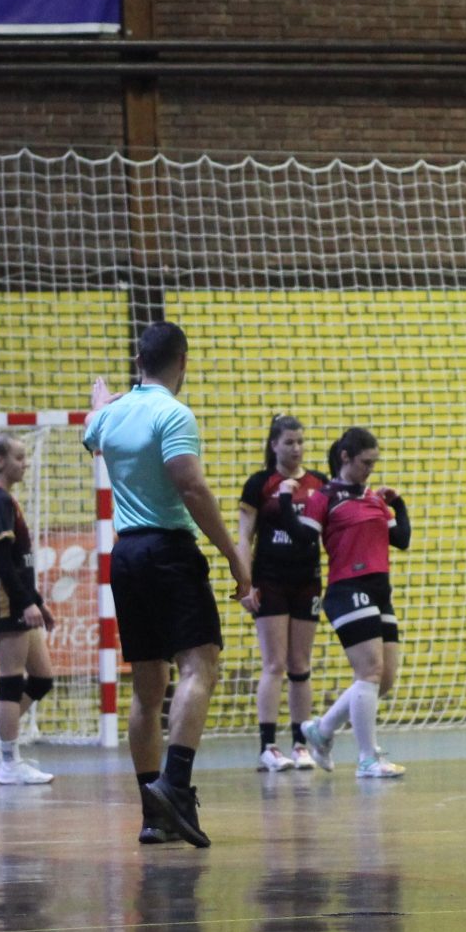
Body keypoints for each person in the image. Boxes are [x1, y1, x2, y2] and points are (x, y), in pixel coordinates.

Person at [83, 322, 255, 847]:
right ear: (183, 363)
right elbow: (191, 485)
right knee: (199, 664)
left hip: (126, 556)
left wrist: (98, 404)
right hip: (168, 551)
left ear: (138, 361)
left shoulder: (108, 417)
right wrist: (234, 555)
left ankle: (152, 814)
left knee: (147, 687)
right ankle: (175, 786)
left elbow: (90, 434)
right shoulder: (174, 413)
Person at [298, 428, 412, 779]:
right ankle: (367, 758)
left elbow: (401, 539)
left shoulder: (374, 498)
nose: (370, 469)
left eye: (374, 463)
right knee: (369, 672)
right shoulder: (324, 497)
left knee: (384, 678)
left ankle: (322, 730)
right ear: (345, 458)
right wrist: (288, 504)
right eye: (365, 462)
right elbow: (303, 540)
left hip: (380, 591)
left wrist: (398, 504)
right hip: (347, 588)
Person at [0, 431, 56, 786]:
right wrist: (24, 602)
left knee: (42, 678)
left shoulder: (4, 500)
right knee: (11, 678)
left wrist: (38, 602)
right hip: (4, 602)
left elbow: (20, 561)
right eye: (19, 458)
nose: (25, 464)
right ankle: (8, 762)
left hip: (18, 599)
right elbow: (2, 562)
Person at [238, 414, 324, 772]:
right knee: (274, 663)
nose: (296, 448)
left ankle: (301, 744)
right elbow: (244, 537)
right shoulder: (260, 484)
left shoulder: (319, 483)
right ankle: (268, 746)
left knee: (300, 665)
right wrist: (245, 584)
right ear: (274, 444)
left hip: (307, 580)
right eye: (289, 442)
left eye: (300, 442)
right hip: (270, 580)